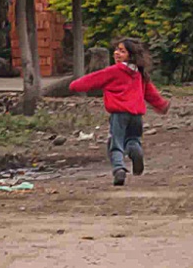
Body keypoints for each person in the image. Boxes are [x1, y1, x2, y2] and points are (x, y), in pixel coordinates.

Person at [69, 37, 171, 186]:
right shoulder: (139, 73)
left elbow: (93, 79)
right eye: (116, 50)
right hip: (136, 115)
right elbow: (150, 92)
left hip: (119, 114)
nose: (116, 53)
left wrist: (74, 86)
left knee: (115, 143)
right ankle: (137, 152)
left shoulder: (115, 71)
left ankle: (119, 169)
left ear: (131, 54)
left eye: (122, 51)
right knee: (133, 139)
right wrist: (161, 105)